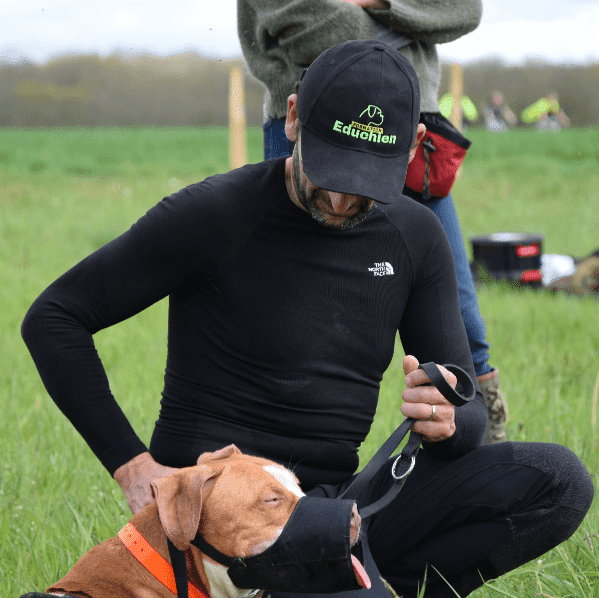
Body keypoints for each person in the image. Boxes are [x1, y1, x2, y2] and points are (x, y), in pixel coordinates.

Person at [22, 41, 593, 598]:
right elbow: (55, 317)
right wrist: (132, 465)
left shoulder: (415, 237)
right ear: (293, 118)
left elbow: (466, 417)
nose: (343, 200)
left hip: (332, 507)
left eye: (367, 180)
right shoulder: (216, 215)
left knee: (559, 482)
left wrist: (446, 417)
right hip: (222, 520)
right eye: (331, 170)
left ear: (415, 145)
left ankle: (372, 583)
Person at [238, 0, 509, 444]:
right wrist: (402, 21)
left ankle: (482, 457)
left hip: (409, 130)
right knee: (295, 318)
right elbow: (311, 21)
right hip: (319, 122)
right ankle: (278, 479)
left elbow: (463, 9)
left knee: (462, 322)